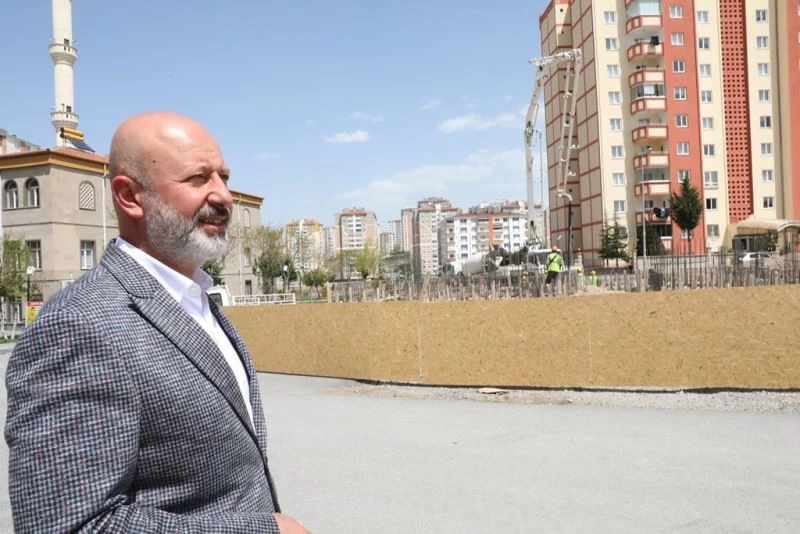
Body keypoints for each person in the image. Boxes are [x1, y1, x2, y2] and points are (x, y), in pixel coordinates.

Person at [5, 112, 310, 533]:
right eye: (198, 179)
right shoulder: (79, 326)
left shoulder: (194, 298)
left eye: (223, 177)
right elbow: (70, 526)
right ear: (129, 196)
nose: (224, 196)